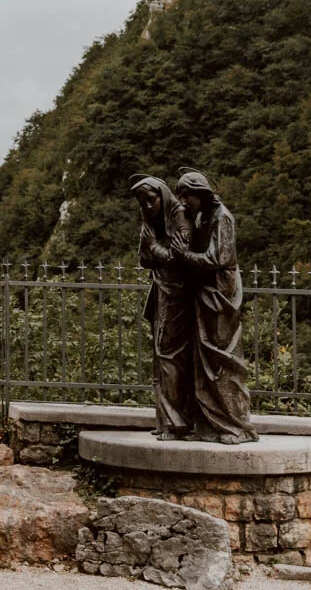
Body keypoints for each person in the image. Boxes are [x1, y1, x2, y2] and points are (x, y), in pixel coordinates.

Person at [173, 170, 257, 444]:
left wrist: (184, 256)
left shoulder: (223, 217)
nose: (183, 201)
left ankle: (235, 425)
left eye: (187, 195)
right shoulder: (201, 216)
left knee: (222, 358)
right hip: (204, 290)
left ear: (200, 192)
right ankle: (209, 423)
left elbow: (217, 258)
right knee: (203, 359)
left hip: (220, 292)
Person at [130, 175, 198, 440]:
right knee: (161, 356)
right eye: (142, 202)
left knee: (171, 355)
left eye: (151, 199)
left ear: (162, 194)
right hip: (161, 290)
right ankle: (165, 420)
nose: (147, 206)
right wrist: (151, 246)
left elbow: (177, 256)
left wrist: (155, 247)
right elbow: (145, 260)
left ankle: (177, 422)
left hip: (178, 294)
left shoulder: (179, 215)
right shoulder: (153, 222)